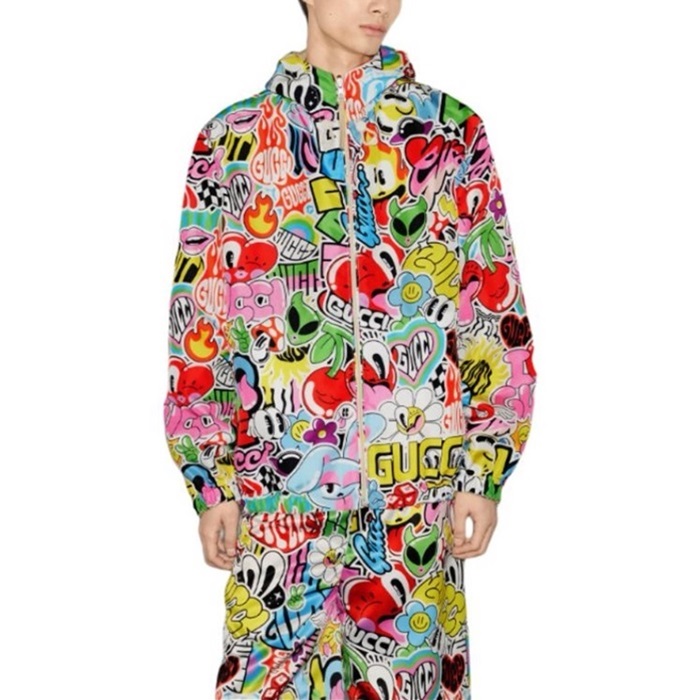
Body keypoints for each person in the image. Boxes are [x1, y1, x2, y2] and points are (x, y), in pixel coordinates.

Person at [162, 0, 537, 697]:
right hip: (279, 501)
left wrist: (484, 469)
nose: (381, 3)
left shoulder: (450, 134)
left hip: (413, 502)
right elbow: (201, 318)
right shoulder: (231, 141)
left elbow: (491, 307)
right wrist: (210, 478)